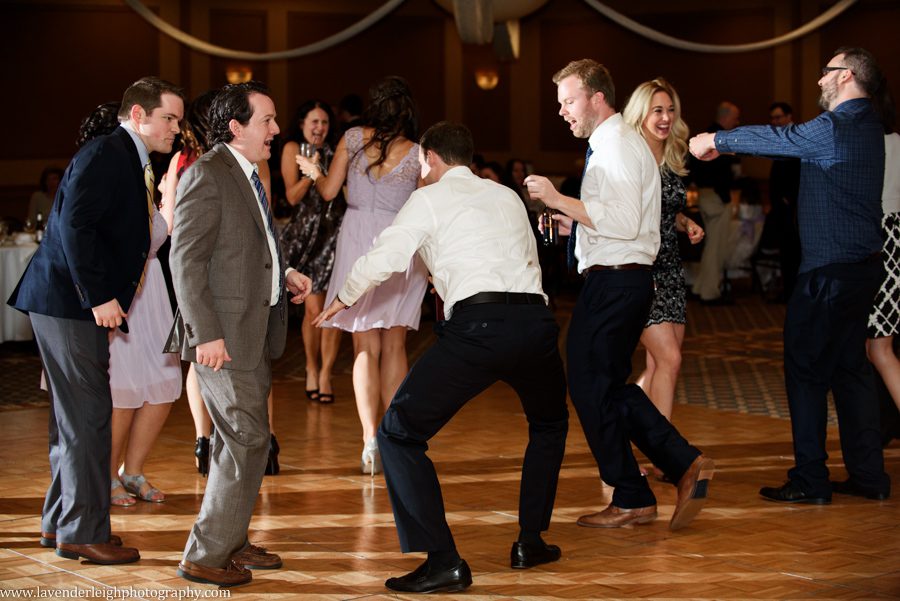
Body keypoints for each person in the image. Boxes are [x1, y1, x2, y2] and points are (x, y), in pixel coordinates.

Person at [314, 121, 569, 594]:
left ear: (428, 158)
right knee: (550, 425)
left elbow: (387, 253)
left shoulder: (427, 199)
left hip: (479, 329)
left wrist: (345, 295)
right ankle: (530, 541)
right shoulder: (506, 194)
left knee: (397, 433)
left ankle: (443, 559)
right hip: (536, 324)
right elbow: (525, 258)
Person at [689, 46, 891, 503]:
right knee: (850, 371)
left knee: (805, 371)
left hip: (828, 273)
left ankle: (810, 480)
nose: (820, 79)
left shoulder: (837, 126)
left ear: (847, 77)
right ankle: (869, 476)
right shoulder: (870, 126)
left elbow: (783, 140)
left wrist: (716, 141)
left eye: (827, 72)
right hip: (861, 270)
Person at [524, 59, 714, 531]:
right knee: (600, 386)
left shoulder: (616, 145)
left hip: (618, 282)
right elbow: (619, 217)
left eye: (569, 101)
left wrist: (554, 197)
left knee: (591, 385)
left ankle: (670, 470)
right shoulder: (614, 144)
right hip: (619, 277)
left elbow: (626, 223)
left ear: (596, 97)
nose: (564, 111)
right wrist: (575, 224)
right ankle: (650, 483)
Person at [8, 76, 186, 565]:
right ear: (138, 116)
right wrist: (98, 295)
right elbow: (74, 225)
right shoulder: (108, 152)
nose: (177, 127)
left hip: (65, 301)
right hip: (70, 302)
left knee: (75, 418)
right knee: (90, 418)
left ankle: (60, 522)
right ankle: (83, 532)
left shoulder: (128, 157)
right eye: (169, 117)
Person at [167, 81, 312, 587]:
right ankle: (205, 555)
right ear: (237, 126)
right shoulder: (208, 174)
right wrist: (204, 333)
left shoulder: (248, 173)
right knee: (250, 438)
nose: (276, 130)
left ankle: (232, 537)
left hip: (250, 330)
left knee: (238, 442)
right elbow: (185, 260)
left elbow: (250, 244)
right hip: (222, 337)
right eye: (267, 121)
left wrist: (283, 272)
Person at [298, 76, 428, 476]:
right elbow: (427, 204)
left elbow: (328, 192)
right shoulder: (418, 152)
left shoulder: (353, 139)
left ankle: (370, 440)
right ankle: (393, 437)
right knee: (395, 344)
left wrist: (313, 169)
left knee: (364, 347)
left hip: (357, 242)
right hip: (400, 245)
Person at [621, 78, 704, 433]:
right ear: (641, 113)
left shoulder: (671, 156)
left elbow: (664, 209)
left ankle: (628, 431)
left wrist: (684, 222)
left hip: (670, 267)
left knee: (660, 364)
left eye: (670, 110)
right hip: (641, 268)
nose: (666, 117)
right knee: (669, 357)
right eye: (657, 110)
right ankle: (666, 451)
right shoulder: (628, 156)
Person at [159, 90, 218, 476]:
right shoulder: (229, 162)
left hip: (185, 265)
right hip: (224, 266)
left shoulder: (179, 161)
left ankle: (202, 439)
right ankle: (263, 439)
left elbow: (167, 225)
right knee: (242, 356)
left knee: (198, 356)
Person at [280, 99, 345, 404]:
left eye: (324, 123)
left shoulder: (338, 152)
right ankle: (310, 366)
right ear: (303, 124)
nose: (320, 128)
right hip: (306, 239)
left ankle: (326, 373)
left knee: (334, 310)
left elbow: (342, 194)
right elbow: (292, 198)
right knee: (313, 310)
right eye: (314, 122)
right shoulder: (293, 149)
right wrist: (311, 173)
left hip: (334, 236)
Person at [866, 95, 900, 444]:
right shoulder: (897, 143)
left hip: (880, 246)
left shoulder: (872, 146)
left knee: (880, 349)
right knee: (879, 349)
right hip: (893, 246)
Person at [688, 101, 741, 304]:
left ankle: (701, 287)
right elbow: (725, 173)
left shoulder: (703, 136)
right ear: (726, 117)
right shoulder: (720, 139)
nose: (737, 122)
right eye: (735, 118)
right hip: (717, 196)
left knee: (711, 244)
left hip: (705, 194)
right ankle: (710, 292)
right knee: (715, 246)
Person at [762, 102, 801, 300]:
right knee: (785, 250)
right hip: (782, 207)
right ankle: (788, 290)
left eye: (778, 117)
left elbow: (799, 172)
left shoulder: (796, 136)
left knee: (793, 250)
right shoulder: (779, 138)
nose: (775, 122)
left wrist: (789, 199)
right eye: (772, 118)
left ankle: (793, 292)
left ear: (788, 116)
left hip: (793, 208)